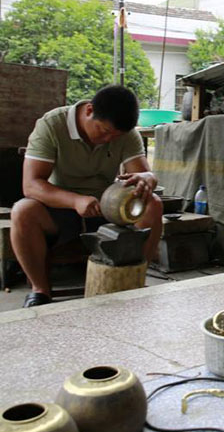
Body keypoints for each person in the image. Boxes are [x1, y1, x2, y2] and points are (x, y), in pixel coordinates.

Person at [10, 85, 163, 308]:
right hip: (58, 208)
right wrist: (75, 200)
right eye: (104, 131)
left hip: (107, 208)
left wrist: (148, 177)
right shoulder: (51, 125)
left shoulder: (125, 133)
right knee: (22, 211)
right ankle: (40, 290)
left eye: (116, 136)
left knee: (153, 205)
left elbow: (140, 174)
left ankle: (136, 279)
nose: (109, 139)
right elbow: (31, 185)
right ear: (89, 110)